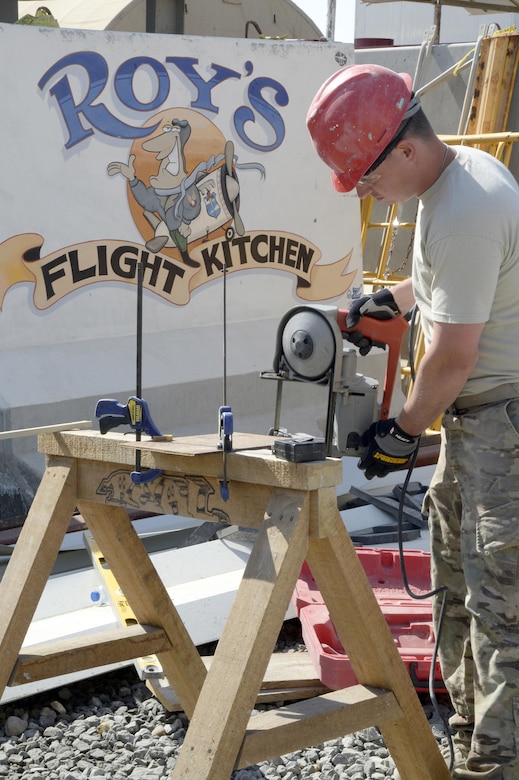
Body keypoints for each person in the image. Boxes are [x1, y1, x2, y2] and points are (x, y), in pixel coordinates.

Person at [306, 63, 519, 780]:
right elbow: (446, 286)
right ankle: (469, 741)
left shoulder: (467, 206)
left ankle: (498, 765)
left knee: (501, 606)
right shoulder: (447, 182)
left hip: (501, 423)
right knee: (458, 587)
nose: (362, 191)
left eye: (363, 176)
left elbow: (453, 357)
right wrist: (393, 301)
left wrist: (401, 433)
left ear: (402, 147)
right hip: (478, 423)